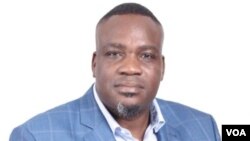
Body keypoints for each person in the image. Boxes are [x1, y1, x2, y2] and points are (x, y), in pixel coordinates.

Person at [10, 3, 221, 141]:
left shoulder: (204, 128)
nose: (130, 68)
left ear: (162, 67)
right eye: (114, 54)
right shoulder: (35, 136)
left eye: (146, 55)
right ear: (94, 64)